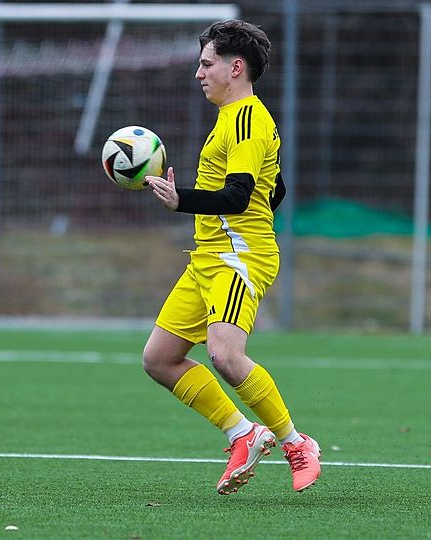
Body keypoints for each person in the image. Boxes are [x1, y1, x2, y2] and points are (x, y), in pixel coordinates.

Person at [141, 19, 321, 495]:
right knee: (159, 359)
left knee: (223, 354)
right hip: (209, 256)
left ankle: (296, 443)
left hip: (239, 257)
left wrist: (182, 200)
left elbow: (240, 197)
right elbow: (275, 190)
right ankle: (243, 433)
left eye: (207, 64)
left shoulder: (246, 120)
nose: (198, 73)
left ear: (235, 67)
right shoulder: (233, 119)